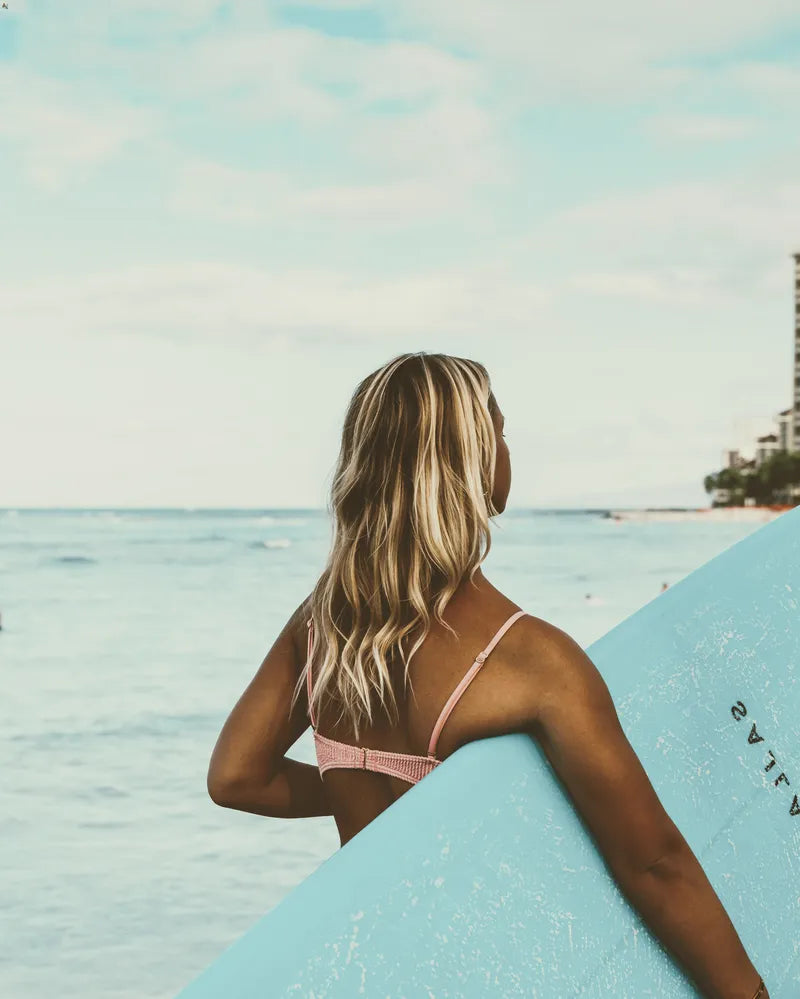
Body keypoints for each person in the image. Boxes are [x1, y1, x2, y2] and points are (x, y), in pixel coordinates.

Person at [206, 352, 768, 999]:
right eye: (498, 430)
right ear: (469, 462)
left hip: (379, 971)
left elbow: (237, 777)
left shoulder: (321, 628)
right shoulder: (530, 660)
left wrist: (370, 794)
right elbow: (654, 863)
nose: (506, 449)